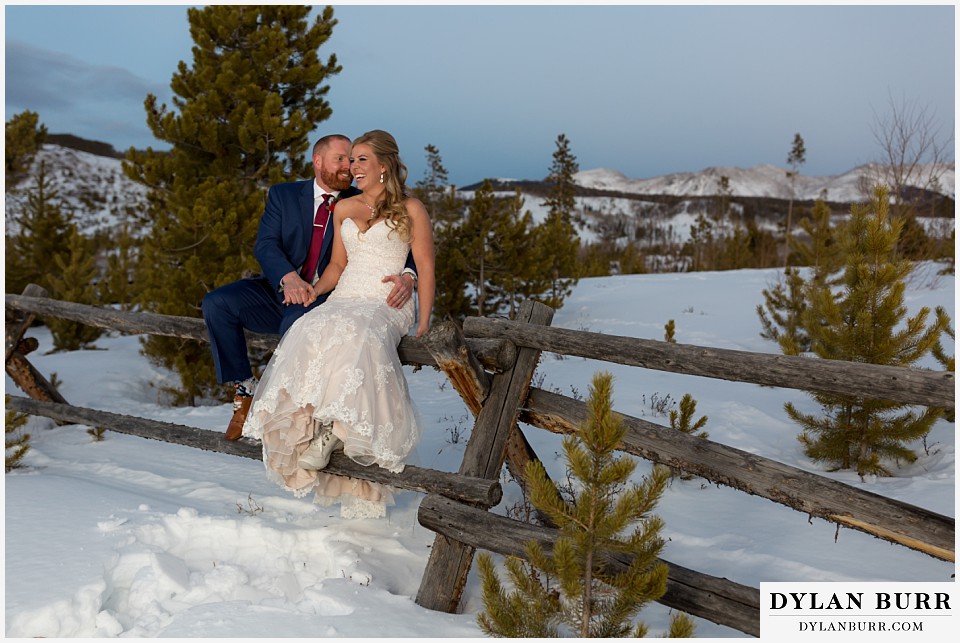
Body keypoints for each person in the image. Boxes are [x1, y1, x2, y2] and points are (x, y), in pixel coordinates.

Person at [242, 130, 436, 519]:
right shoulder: (344, 209)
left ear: (384, 166)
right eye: (351, 160)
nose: (352, 167)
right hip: (345, 294)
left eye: (361, 159)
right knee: (308, 329)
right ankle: (310, 425)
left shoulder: (411, 208)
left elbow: (426, 267)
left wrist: (424, 318)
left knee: (360, 337)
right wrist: (314, 292)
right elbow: (336, 266)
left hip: (385, 301)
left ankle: (341, 432)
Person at [201, 134, 417, 440]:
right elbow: (266, 244)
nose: (348, 167)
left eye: (353, 159)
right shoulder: (283, 195)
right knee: (217, 304)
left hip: (325, 296)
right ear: (318, 161)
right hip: (278, 288)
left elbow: (404, 242)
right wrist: (288, 277)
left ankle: (293, 421)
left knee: (298, 323)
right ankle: (245, 392)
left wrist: (409, 274)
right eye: (341, 159)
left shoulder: (363, 198)